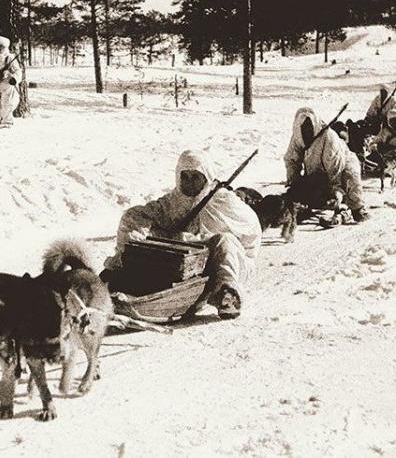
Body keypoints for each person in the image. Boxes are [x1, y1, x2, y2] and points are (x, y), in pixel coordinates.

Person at [103, 150, 262, 320]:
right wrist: (134, 244)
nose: (189, 183)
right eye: (185, 177)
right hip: (182, 265)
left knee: (225, 241)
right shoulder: (174, 201)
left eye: (196, 177)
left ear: (207, 176)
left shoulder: (225, 201)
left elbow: (251, 234)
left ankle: (227, 296)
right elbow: (137, 216)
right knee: (142, 227)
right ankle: (123, 275)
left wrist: (194, 241)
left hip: (224, 264)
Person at [284, 107, 369, 222]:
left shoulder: (329, 137)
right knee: (303, 189)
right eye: (304, 126)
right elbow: (292, 160)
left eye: (310, 125)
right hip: (317, 170)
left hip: (342, 164)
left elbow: (335, 167)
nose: (307, 129)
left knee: (350, 179)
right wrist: (294, 183)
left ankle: (357, 209)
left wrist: (336, 191)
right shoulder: (298, 137)